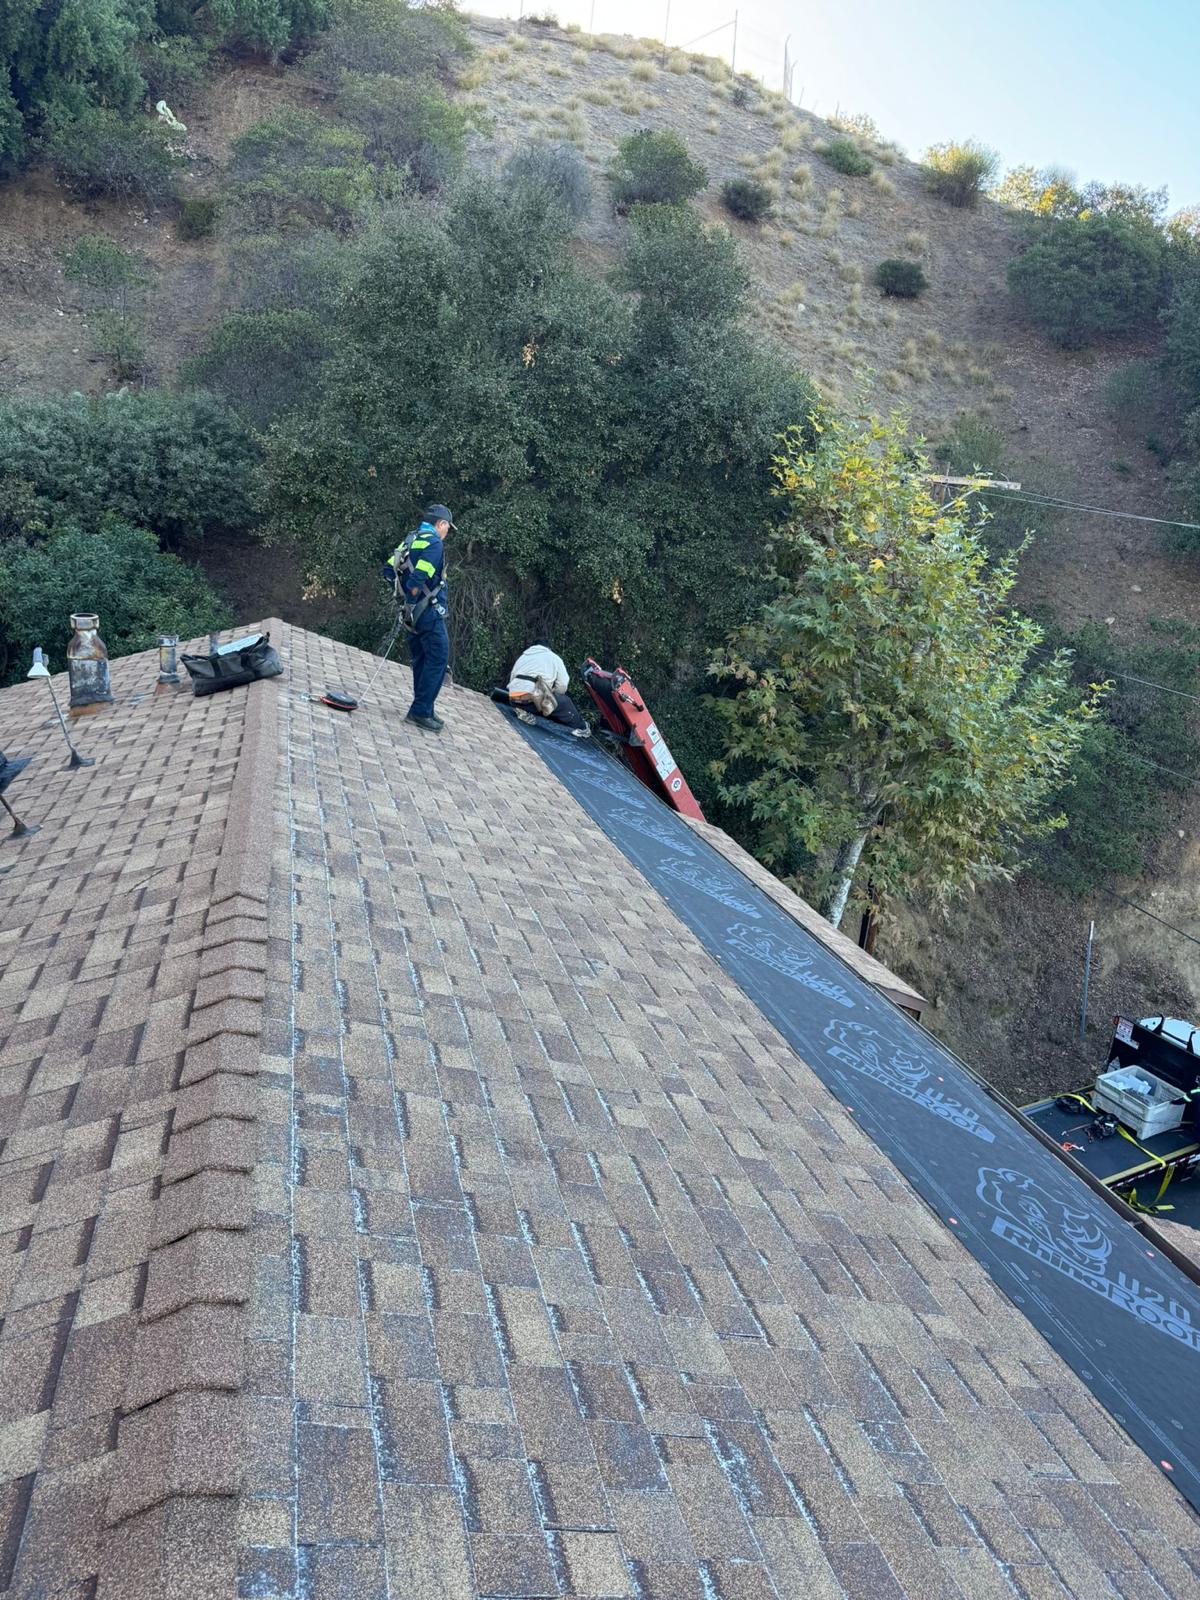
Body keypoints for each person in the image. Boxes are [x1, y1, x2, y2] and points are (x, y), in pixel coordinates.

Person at [387, 503, 454, 733]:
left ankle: (425, 707)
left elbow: (388, 571)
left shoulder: (411, 539)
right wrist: (414, 598)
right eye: (447, 528)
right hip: (427, 612)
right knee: (438, 658)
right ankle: (420, 711)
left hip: (409, 614)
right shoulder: (434, 543)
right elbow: (418, 579)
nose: (446, 533)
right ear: (441, 524)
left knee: (422, 660)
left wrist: (405, 601)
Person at [507, 640, 590, 737]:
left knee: (531, 699)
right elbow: (563, 685)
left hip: (513, 698)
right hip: (533, 699)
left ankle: (522, 710)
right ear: (549, 648)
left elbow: (512, 677)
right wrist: (554, 694)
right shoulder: (554, 658)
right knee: (565, 702)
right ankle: (582, 728)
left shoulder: (524, 656)